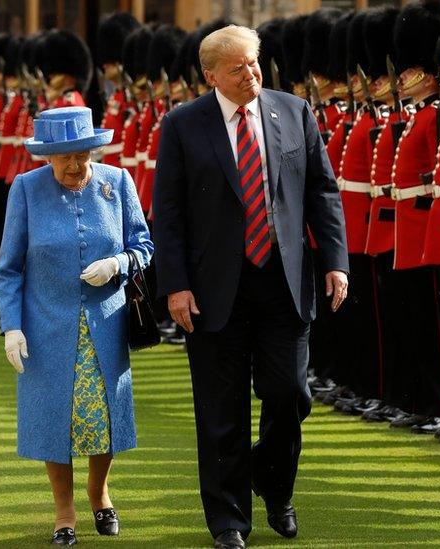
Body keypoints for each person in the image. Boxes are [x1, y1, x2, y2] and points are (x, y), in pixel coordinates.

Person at [151, 25, 349, 549]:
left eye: (254, 63)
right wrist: (175, 286)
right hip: (214, 289)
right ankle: (229, 522)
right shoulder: (182, 125)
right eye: (237, 68)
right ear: (211, 75)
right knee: (222, 411)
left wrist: (336, 262)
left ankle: (275, 485)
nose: (250, 75)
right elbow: (166, 215)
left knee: (290, 395)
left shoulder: (294, 111)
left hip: (284, 282)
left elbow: (322, 193)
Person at [0, 106, 153, 546]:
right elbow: (9, 269)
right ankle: (64, 510)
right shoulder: (26, 190)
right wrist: (12, 326)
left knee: (103, 416)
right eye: (63, 156)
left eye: (81, 154)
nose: (74, 165)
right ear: (46, 157)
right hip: (46, 326)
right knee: (55, 419)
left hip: (106, 323)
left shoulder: (117, 182)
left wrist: (118, 263)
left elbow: (143, 244)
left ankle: (99, 493)